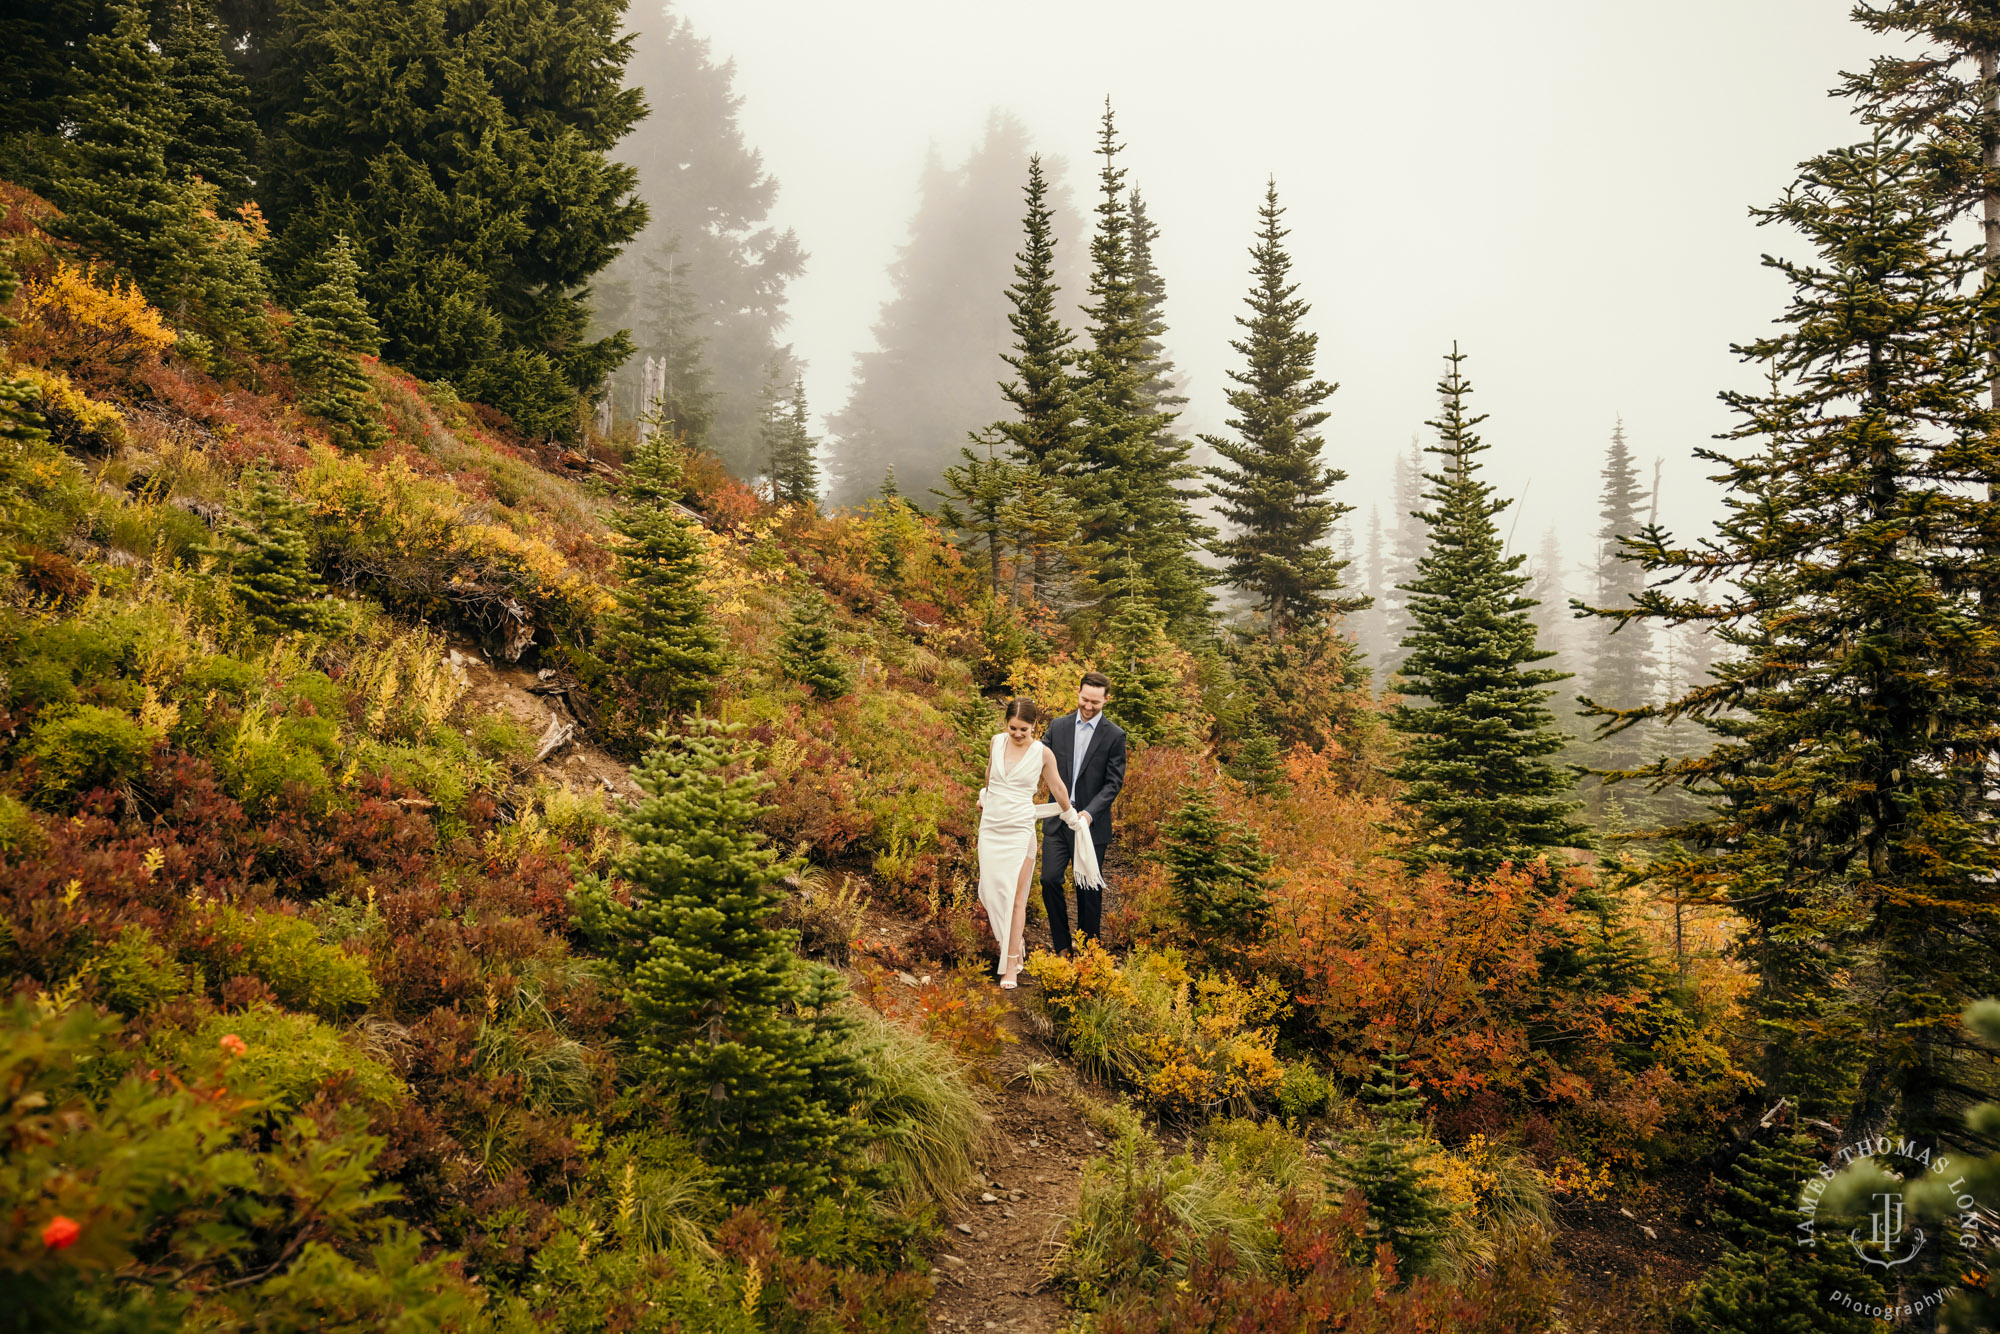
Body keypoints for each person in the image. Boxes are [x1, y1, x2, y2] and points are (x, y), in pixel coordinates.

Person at [976, 697, 1076, 988]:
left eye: (1024, 729)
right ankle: (1013, 942)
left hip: (1020, 829)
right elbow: (990, 776)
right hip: (992, 827)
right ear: (1006, 725)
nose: (1018, 734)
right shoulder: (996, 742)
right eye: (1013, 728)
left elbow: (1057, 787)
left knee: (1016, 898)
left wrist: (1070, 816)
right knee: (989, 891)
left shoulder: (1043, 754)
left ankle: (1009, 966)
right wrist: (985, 796)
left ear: (1035, 726)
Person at [1040, 672, 1126, 957]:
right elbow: (1033, 762)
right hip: (1057, 819)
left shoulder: (1114, 735)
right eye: (1084, 699)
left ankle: (1090, 953)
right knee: (1050, 880)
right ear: (1078, 693)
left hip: (1090, 825)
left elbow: (1113, 782)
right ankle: (1063, 947)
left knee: (1087, 890)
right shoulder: (1058, 727)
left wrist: (1089, 814)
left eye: (1095, 702)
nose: (1088, 706)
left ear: (1106, 700)